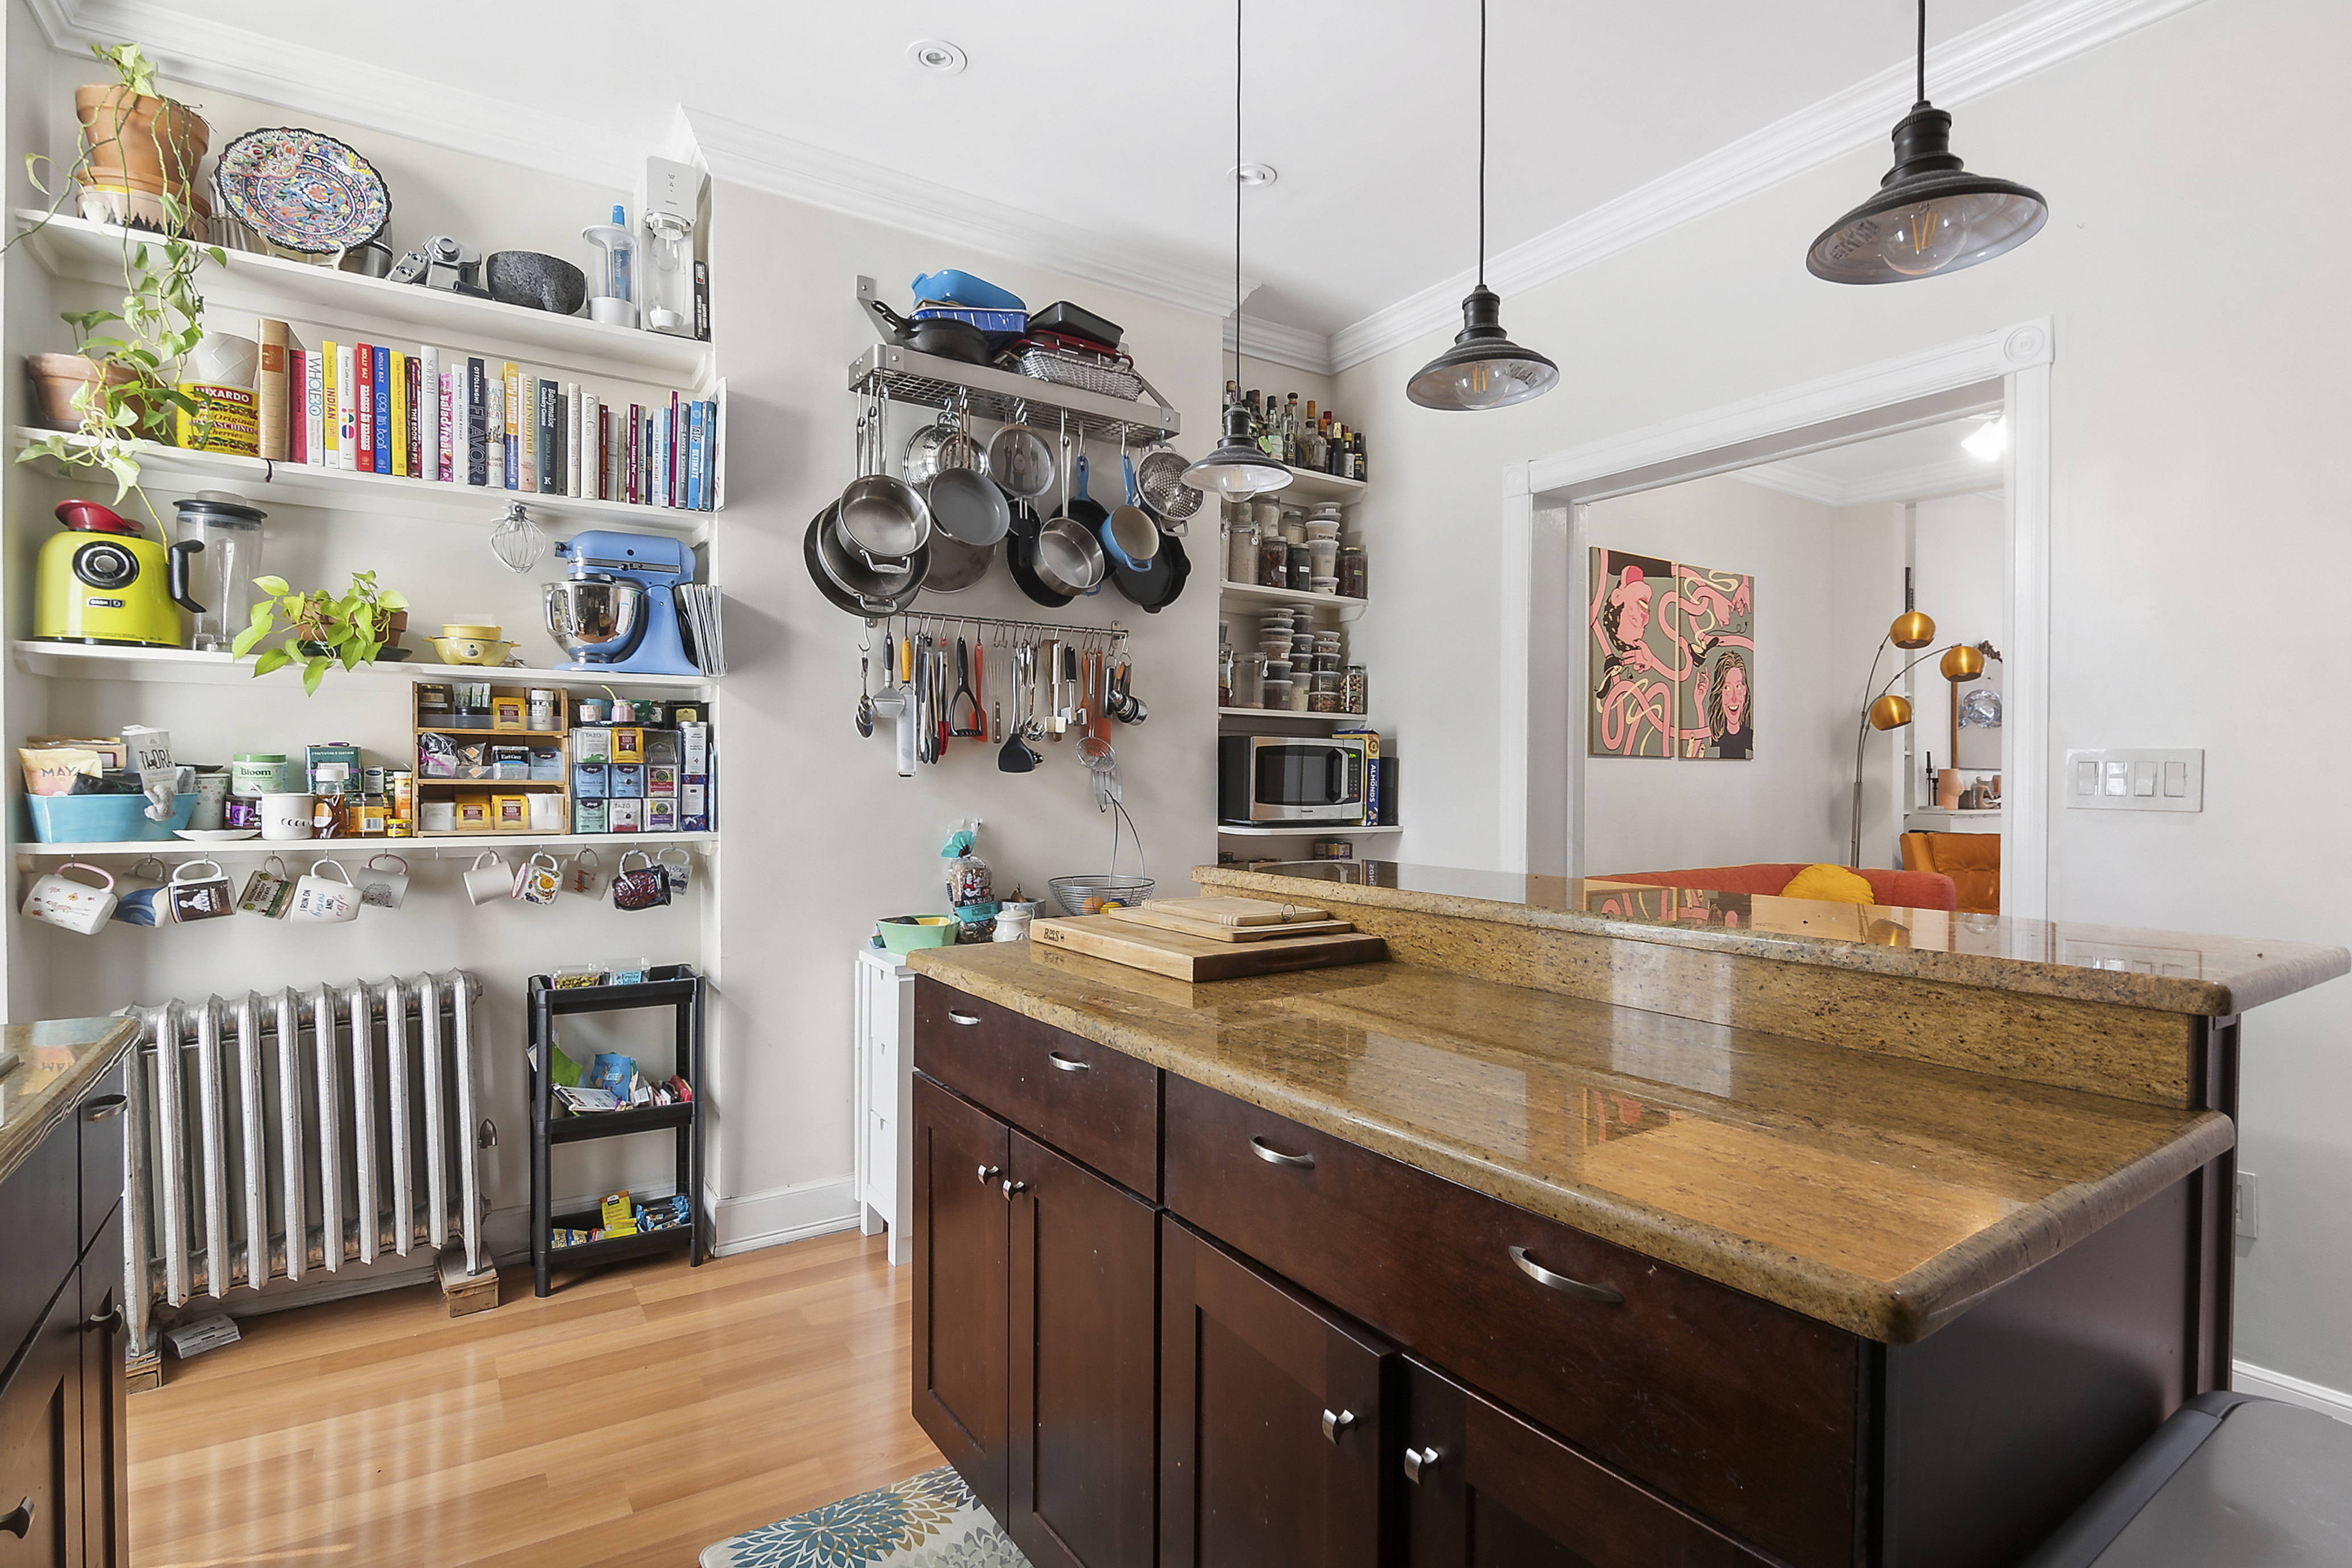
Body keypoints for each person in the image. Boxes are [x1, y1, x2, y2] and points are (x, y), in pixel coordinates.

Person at [1706, 649, 1752, 758]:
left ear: (1744, 691)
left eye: (1738, 687)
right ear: (1719, 694)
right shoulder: (1713, 737)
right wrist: (1698, 705)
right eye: (1727, 688)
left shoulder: (1752, 738)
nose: (1734, 698)